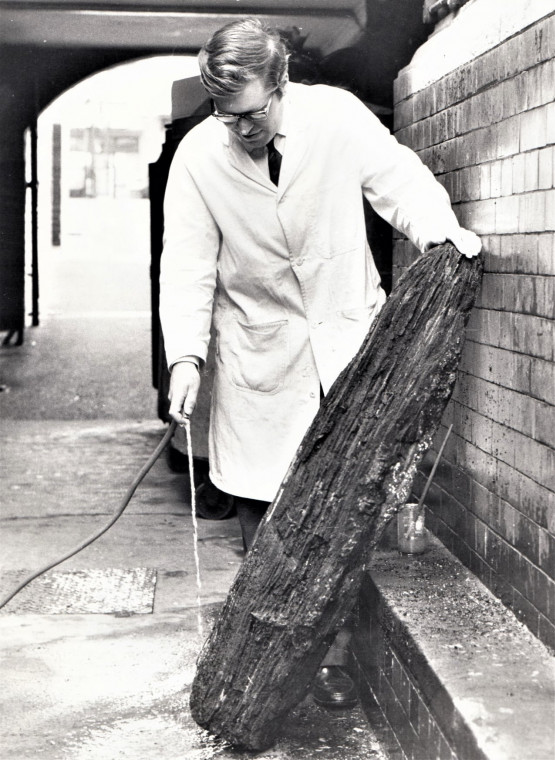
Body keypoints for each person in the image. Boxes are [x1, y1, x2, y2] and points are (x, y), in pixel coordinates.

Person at [159, 17, 481, 709]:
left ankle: (329, 660)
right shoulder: (197, 156)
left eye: (250, 113)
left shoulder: (335, 117)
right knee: (264, 521)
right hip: (257, 357)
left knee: (343, 513)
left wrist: (442, 234)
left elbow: (398, 183)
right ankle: (267, 662)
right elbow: (186, 265)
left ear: (281, 84)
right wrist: (184, 358)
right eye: (224, 115)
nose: (238, 129)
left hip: (344, 345)